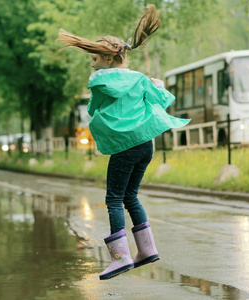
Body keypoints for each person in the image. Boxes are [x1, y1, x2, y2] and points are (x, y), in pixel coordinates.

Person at [56, 4, 190, 280]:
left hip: (124, 146)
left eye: (94, 58)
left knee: (114, 198)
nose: (91, 63)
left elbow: (93, 111)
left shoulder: (99, 83)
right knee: (131, 196)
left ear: (107, 59)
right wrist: (159, 84)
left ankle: (121, 258)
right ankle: (147, 249)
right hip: (146, 145)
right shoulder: (141, 80)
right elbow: (164, 101)